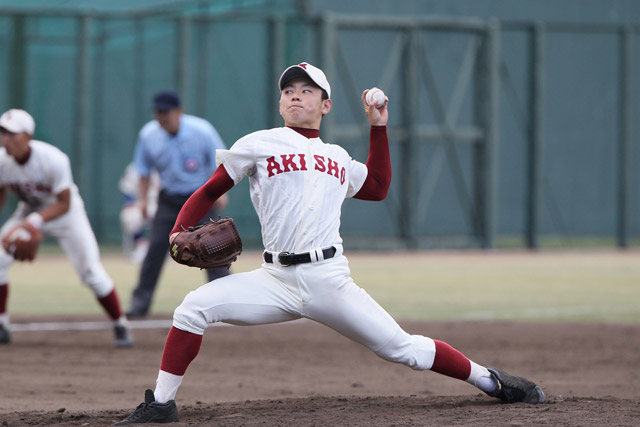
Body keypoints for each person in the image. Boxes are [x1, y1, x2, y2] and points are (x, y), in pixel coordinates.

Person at [115, 62, 545, 424]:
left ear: (326, 105)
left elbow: (377, 186)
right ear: (280, 102)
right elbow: (209, 191)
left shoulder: (337, 156)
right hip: (274, 279)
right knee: (193, 307)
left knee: (402, 348)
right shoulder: (258, 144)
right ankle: (163, 404)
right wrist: (177, 230)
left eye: (307, 90)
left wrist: (379, 128)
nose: (295, 96)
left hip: (328, 280)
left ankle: (490, 380)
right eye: (288, 90)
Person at [0, 109, 132, 347]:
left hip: (66, 215)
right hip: (29, 211)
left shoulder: (53, 159)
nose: (6, 139)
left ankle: (120, 324)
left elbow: (64, 203)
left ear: (28, 136)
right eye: (3, 133)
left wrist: (33, 223)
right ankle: (1, 324)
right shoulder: (2, 160)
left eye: (12, 134)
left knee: (90, 272)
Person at [126, 91, 230, 318]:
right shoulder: (149, 134)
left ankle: (225, 305)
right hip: (169, 199)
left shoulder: (201, 130)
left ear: (179, 112)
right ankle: (139, 305)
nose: (162, 117)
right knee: (154, 250)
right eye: (158, 113)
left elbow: (221, 162)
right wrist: (144, 200)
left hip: (201, 197)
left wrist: (220, 193)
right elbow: (143, 171)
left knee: (213, 251)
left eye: (166, 112)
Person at [118, 163, 160, 263]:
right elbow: (128, 192)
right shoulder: (133, 169)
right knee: (129, 216)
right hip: (139, 203)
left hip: (159, 204)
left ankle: (164, 248)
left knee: (168, 216)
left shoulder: (162, 165)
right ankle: (141, 246)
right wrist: (131, 204)